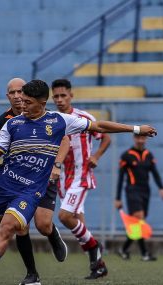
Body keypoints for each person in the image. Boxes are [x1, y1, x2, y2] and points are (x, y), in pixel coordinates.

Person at [0, 79, 157, 285]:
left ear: (42, 103)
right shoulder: (11, 124)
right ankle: (47, 261)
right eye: (20, 99)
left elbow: (99, 126)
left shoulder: (59, 121)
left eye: (27, 101)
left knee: (9, 229)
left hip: (31, 190)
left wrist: (137, 129)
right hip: (4, 185)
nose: (21, 105)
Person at [0, 77, 68, 285]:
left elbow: (65, 140)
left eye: (19, 92)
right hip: (17, 181)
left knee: (42, 224)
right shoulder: (4, 121)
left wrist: (57, 165)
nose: (16, 96)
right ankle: (32, 274)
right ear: (8, 96)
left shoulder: (47, 116)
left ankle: (52, 234)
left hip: (44, 176)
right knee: (20, 227)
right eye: (12, 93)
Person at [50, 79, 112, 279]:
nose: (59, 100)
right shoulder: (52, 119)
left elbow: (106, 138)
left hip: (80, 175)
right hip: (62, 178)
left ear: (71, 96)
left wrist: (95, 156)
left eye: (63, 95)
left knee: (64, 217)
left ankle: (95, 249)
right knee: (80, 226)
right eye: (56, 96)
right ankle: (98, 265)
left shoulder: (83, 118)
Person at [114, 134, 163, 261]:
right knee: (139, 217)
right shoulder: (126, 155)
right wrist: (118, 197)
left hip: (145, 191)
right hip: (132, 191)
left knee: (137, 224)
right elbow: (121, 178)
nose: (140, 140)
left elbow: (155, 173)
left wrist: (161, 187)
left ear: (146, 139)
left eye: (143, 138)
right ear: (134, 138)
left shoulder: (149, 155)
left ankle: (124, 249)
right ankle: (144, 253)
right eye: (138, 138)